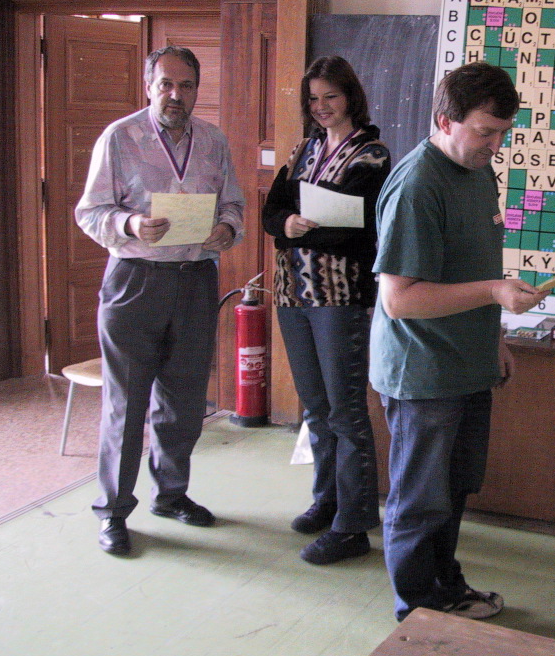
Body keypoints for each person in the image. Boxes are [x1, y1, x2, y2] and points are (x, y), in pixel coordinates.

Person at [369, 61, 548, 621]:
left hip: (467, 363)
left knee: (453, 491)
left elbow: (472, 264)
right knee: (420, 501)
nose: (496, 146)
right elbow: (399, 299)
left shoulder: (478, 171)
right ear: (445, 121)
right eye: (485, 132)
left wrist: (493, 338)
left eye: (503, 133)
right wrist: (495, 293)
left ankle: (445, 588)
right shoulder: (417, 184)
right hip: (423, 373)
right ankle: (416, 611)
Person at [75, 45, 245, 556]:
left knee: (185, 401)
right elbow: (89, 212)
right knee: (126, 404)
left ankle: (171, 495)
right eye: (166, 84)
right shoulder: (120, 137)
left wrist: (226, 229)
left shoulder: (213, 141)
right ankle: (112, 511)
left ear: (196, 90)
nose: (176, 94)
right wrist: (129, 223)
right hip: (136, 281)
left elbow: (234, 204)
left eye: (186, 85)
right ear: (149, 86)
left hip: (195, 281)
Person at [262, 56, 389, 565]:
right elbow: (272, 210)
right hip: (292, 294)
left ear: (350, 96)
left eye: (330, 96)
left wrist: (298, 227)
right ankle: (328, 500)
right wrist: (288, 224)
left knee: (345, 410)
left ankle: (354, 524)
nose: (321, 107)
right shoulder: (303, 150)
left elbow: (355, 228)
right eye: (313, 99)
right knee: (315, 407)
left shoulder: (371, 155)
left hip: (339, 297)